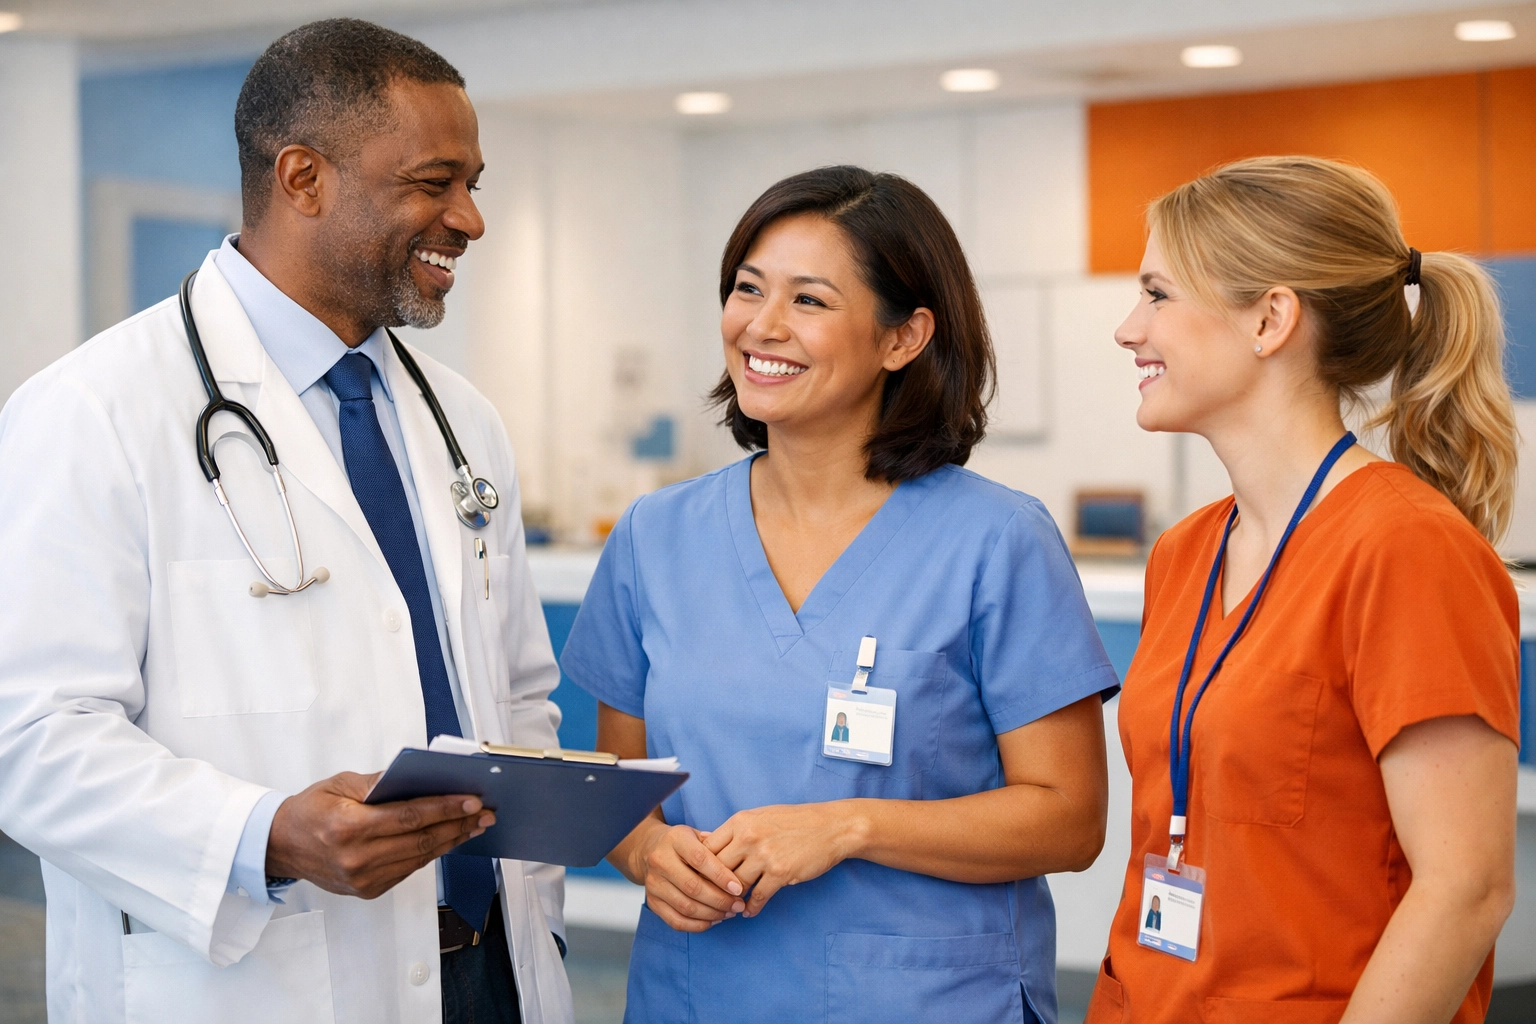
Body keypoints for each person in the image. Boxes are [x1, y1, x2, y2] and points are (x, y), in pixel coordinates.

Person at [0, 20, 573, 1024]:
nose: (470, 220)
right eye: (433, 183)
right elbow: (31, 738)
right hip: (261, 977)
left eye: (473, 183)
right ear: (303, 178)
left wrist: (542, 918)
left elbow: (518, 695)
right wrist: (262, 836)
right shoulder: (93, 413)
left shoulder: (461, 419)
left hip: (494, 971)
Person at [559, 165, 1120, 1024]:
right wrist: (644, 853)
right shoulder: (654, 536)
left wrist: (849, 826)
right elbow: (621, 783)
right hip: (698, 993)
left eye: (809, 300)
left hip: (927, 1000)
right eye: (748, 289)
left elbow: (1068, 820)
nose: (762, 325)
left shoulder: (997, 541)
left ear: (904, 338)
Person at [1088, 156, 1519, 1024]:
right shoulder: (1185, 552)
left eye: (1158, 295)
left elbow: (1465, 889)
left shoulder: (1408, 549)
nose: (1129, 330)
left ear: (1271, 319)